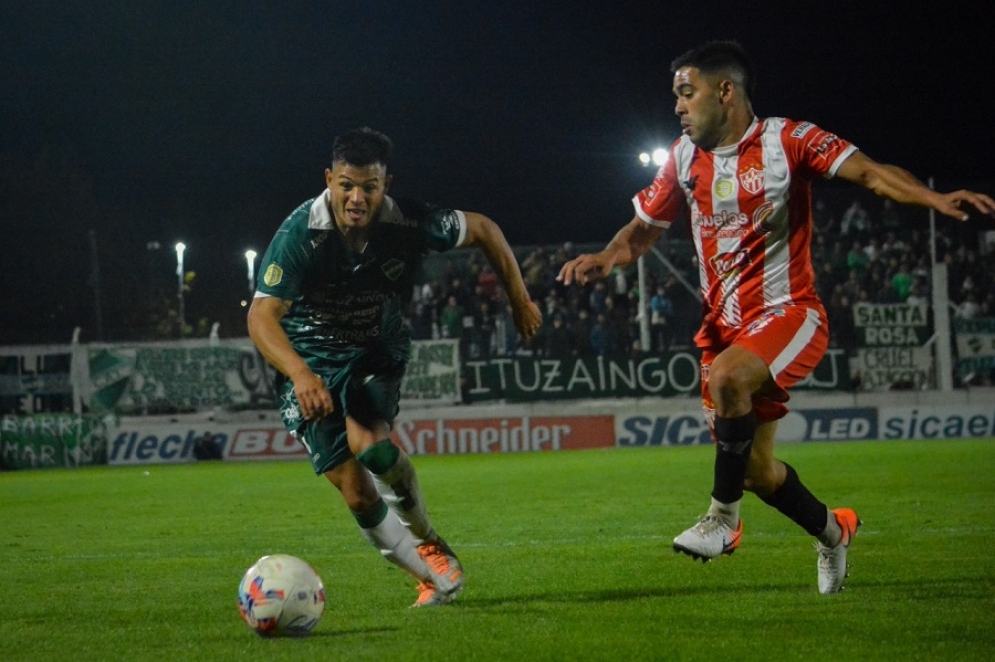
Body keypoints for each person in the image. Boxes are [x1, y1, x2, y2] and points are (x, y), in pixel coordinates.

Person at [557, 40, 995, 594]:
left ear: (725, 91)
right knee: (758, 471)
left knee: (729, 380)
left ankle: (722, 519)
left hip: (790, 312)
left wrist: (931, 199)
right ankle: (834, 533)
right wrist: (607, 256)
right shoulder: (682, 158)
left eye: (686, 94)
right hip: (722, 330)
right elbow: (643, 229)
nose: (677, 107)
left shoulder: (788, 140)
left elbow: (869, 173)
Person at [247, 127, 542, 608]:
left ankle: (428, 541)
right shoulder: (299, 234)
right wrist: (301, 374)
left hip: (376, 350)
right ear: (329, 180)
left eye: (370, 186)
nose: (357, 198)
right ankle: (430, 577)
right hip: (311, 361)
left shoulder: (412, 222)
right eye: (346, 185)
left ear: (386, 185)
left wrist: (519, 298)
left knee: (375, 450)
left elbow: (485, 228)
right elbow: (260, 315)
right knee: (358, 494)